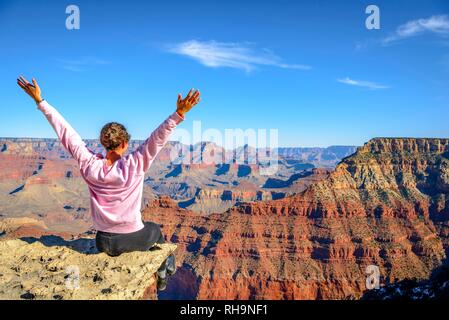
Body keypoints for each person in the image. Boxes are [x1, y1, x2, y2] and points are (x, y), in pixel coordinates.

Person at [17, 76, 201, 290]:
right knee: (155, 231)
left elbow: (66, 133)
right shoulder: (136, 163)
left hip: (103, 241)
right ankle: (163, 274)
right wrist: (179, 114)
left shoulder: (88, 164)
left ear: (103, 143)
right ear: (124, 143)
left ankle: (162, 272)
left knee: (144, 232)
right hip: (133, 238)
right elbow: (157, 139)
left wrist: (40, 101)